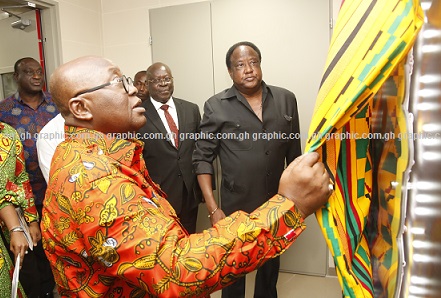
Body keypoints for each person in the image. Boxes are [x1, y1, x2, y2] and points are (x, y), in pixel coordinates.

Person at [41, 55, 331, 297]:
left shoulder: (107, 154)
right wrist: (290, 205)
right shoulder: (92, 177)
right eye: (120, 82)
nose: (134, 90)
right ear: (80, 107)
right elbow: (176, 270)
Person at [192, 41, 302, 298]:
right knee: (232, 269)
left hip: (277, 203)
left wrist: (295, 200)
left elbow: (294, 154)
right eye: (240, 65)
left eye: (253, 62)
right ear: (230, 72)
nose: (248, 69)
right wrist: (213, 209)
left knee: (269, 266)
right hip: (234, 207)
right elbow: (202, 159)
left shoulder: (286, 99)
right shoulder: (216, 105)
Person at [0, 57, 57, 297]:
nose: (36, 76)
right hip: (21, 200)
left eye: (39, 71)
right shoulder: (3, 111)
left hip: (57, 192)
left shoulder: (57, 105)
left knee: (59, 250)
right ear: (16, 77)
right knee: (33, 255)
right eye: (28, 72)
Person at [138, 62, 202, 233]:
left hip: (189, 194)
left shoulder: (191, 109)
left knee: (189, 245)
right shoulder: (137, 114)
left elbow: (201, 151)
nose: (163, 83)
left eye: (167, 79)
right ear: (148, 84)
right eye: (157, 80)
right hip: (158, 196)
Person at [0, 122, 40, 297]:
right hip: (11, 224)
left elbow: (21, 177)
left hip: (14, 221)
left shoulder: (8, 133)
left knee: (26, 278)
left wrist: (32, 220)